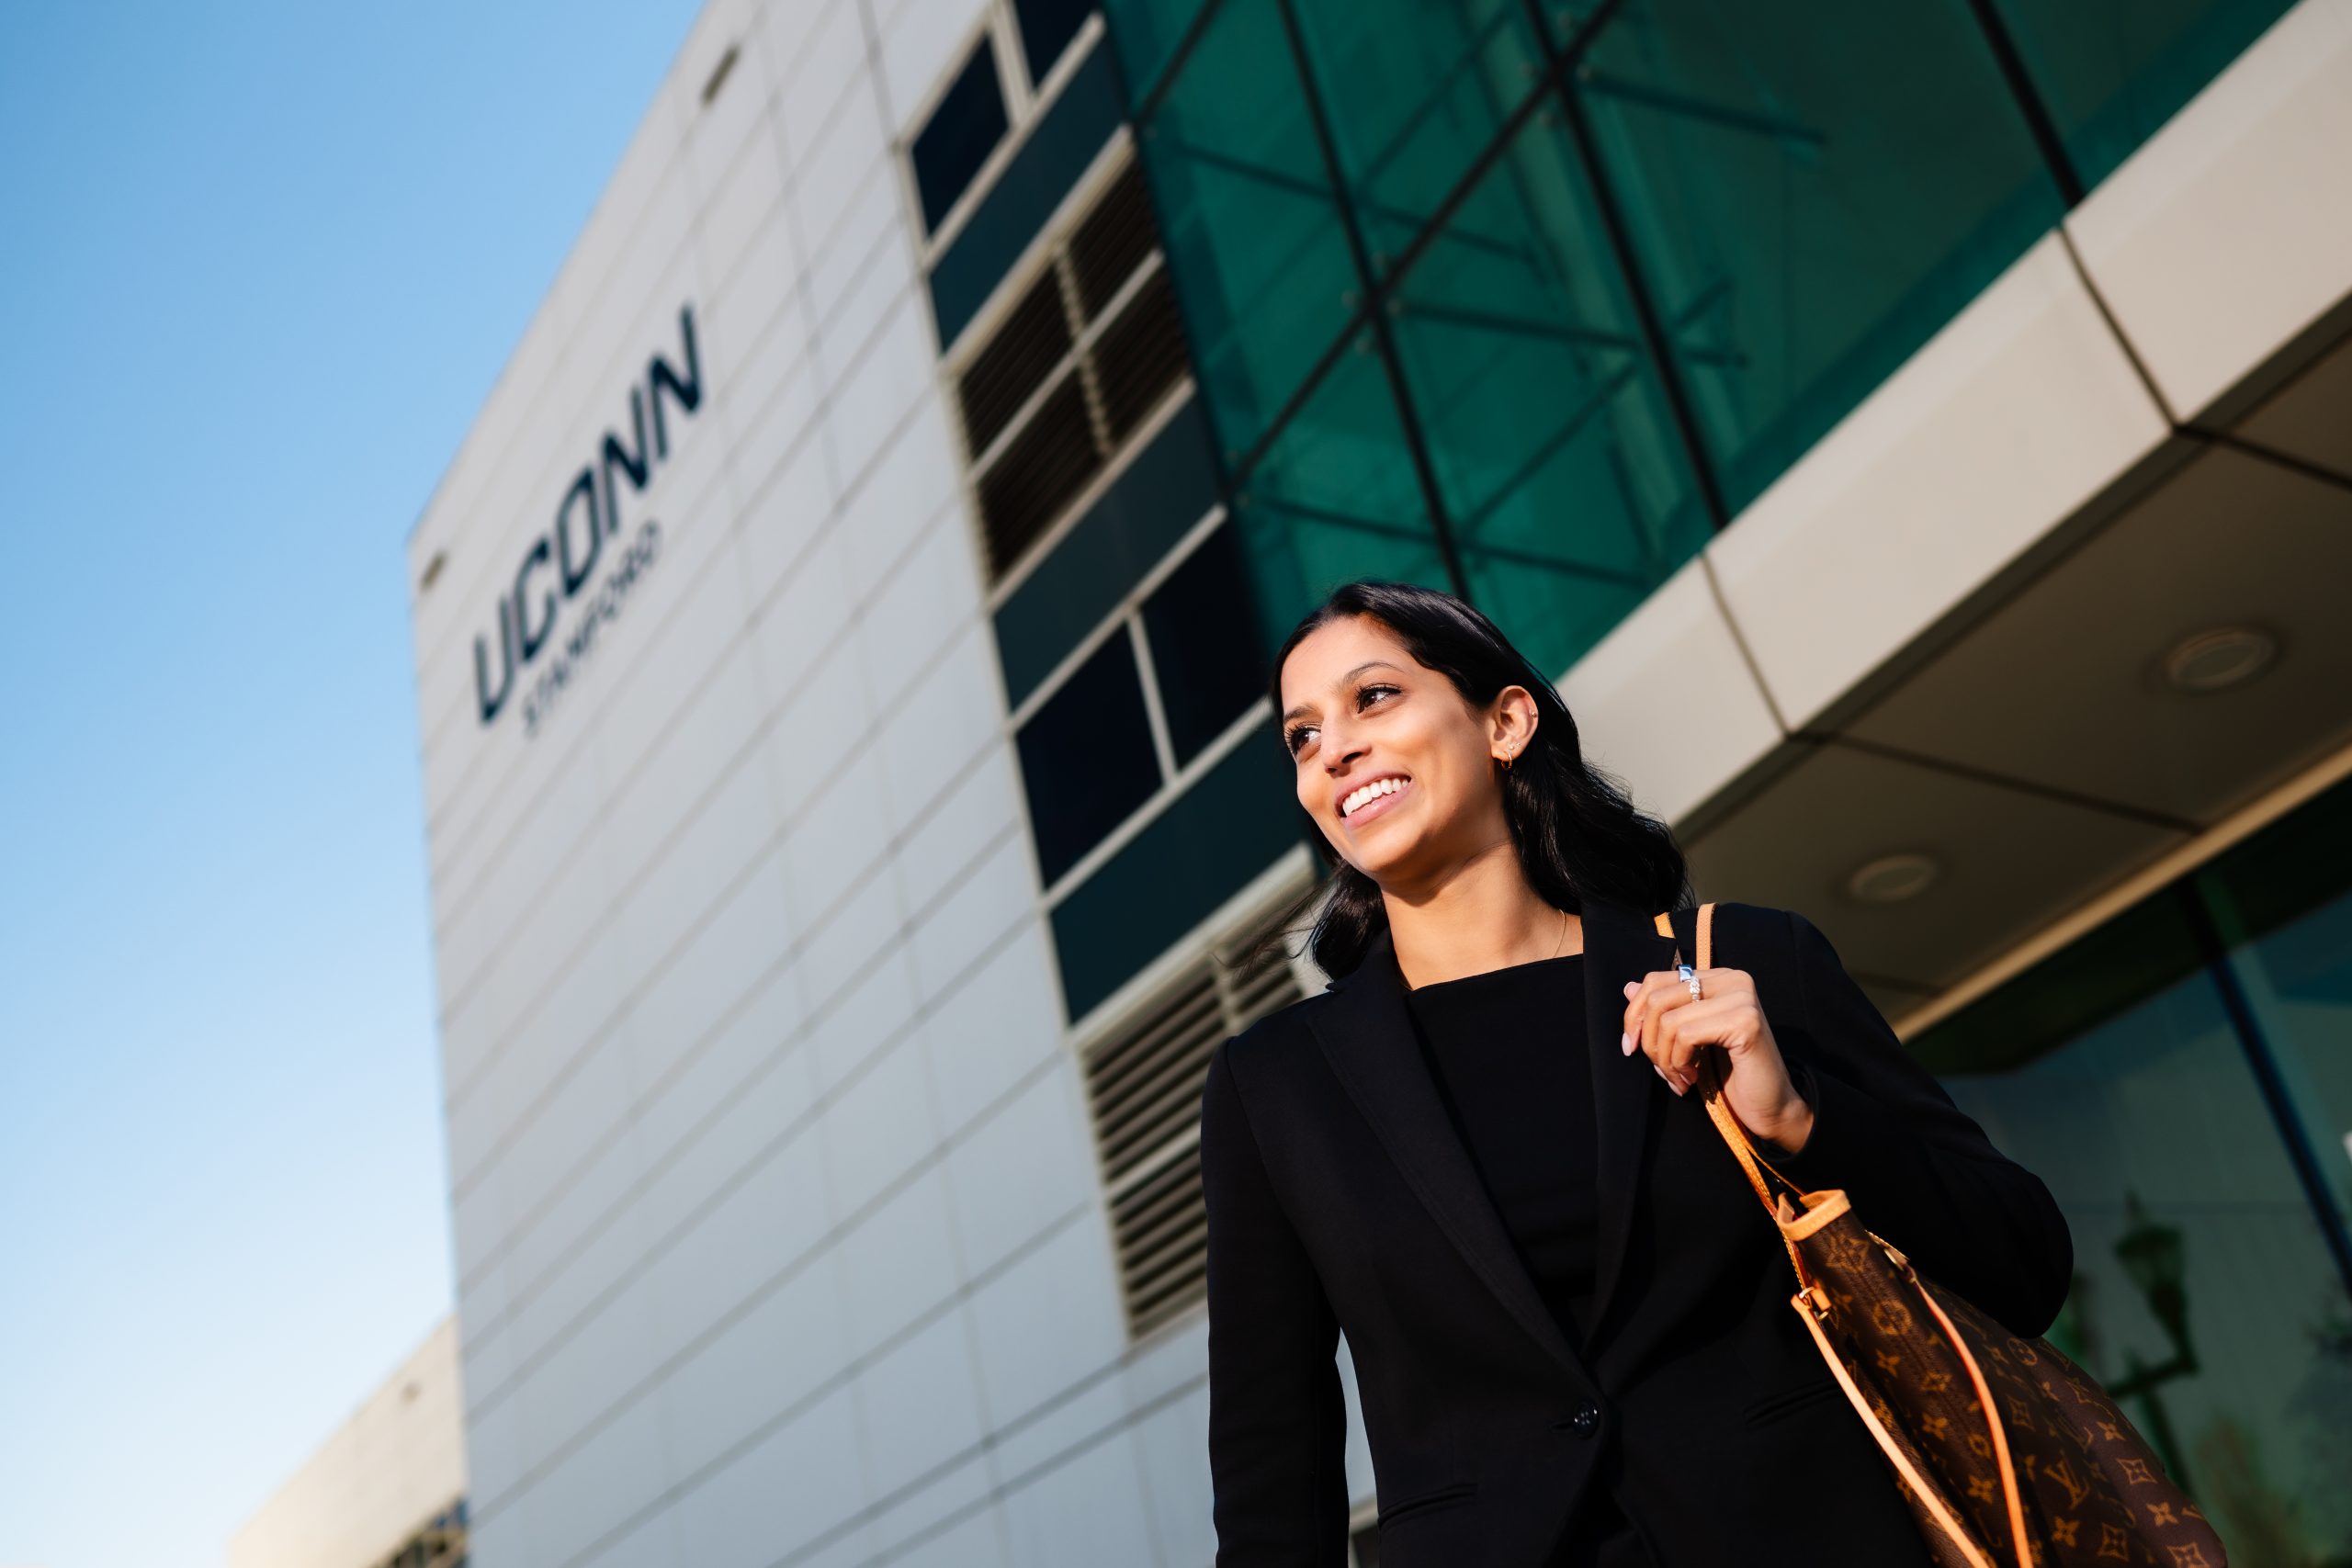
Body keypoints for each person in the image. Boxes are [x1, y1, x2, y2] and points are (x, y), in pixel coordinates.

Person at [1201, 579, 2073, 1566]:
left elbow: (2024, 1265)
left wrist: (1798, 1119)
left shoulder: (1743, 966)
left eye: (1374, 698)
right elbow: (1273, 1466)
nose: (1335, 750)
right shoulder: (1275, 1089)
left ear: (1506, 721)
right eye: (1302, 736)